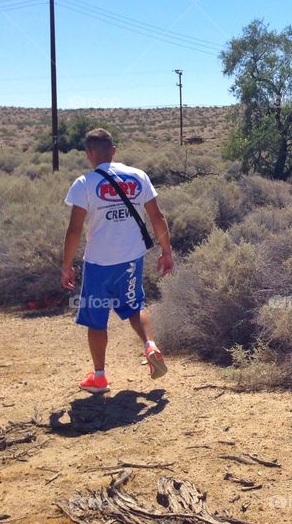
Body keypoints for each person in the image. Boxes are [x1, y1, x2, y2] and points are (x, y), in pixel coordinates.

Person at [61, 128, 174, 393]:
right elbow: (158, 218)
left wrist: (66, 266)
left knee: (96, 317)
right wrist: (167, 251)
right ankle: (150, 346)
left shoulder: (84, 183)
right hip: (131, 259)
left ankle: (99, 377)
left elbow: (74, 230)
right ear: (114, 150)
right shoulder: (139, 176)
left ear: (89, 154)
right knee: (135, 305)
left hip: (99, 264)